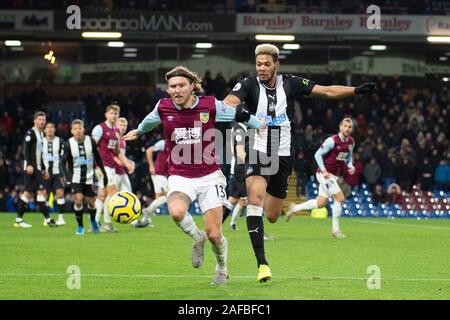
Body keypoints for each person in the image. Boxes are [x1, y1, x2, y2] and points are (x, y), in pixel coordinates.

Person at [222, 43, 377, 282]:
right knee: (254, 199)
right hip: (259, 148)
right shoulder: (248, 84)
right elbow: (229, 102)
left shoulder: (291, 83)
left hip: (284, 152)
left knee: (272, 214)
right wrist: (240, 111)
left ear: (276, 64)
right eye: (258, 64)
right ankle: (262, 264)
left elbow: (326, 91)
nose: (261, 68)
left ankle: (246, 215)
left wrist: (355, 90)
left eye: (266, 64)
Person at [123, 66, 264, 285]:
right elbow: (150, 120)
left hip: (210, 176)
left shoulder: (210, 105)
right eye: (172, 86)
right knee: (177, 212)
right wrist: (139, 130)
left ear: (192, 87)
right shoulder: (163, 107)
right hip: (180, 175)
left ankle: (221, 268)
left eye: (181, 85)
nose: (176, 90)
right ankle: (197, 236)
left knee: (215, 235)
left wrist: (259, 124)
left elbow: (237, 113)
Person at [286, 118, 355, 239]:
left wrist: (350, 165)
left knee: (320, 203)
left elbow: (349, 157)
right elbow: (317, 154)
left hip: (333, 176)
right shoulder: (332, 141)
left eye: (349, 127)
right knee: (340, 198)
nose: (347, 129)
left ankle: (294, 208)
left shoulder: (350, 142)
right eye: (345, 126)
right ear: (340, 127)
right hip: (323, 175)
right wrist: (324, 170)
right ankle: (335, 230)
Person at [92, 104, 135, 232]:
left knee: (103, 195)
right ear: (106, 114)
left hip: (110, 167)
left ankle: (95, 222)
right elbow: (92, 147)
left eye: (116, 113)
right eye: (111, 113)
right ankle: (106, 223)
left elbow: (117, 152)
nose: (114, 115)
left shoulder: (116, 132)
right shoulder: (99, 128)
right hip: (102, 166)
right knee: (113, 193)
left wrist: (127, 163)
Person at [60, 119, 108, 236]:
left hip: (90, 177)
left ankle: (93, 220)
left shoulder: (90, 141)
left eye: (79, 128)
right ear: (72, 131)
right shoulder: (68, 144)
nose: (77, 131)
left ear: (83, 129)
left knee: (92, 203)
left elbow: (98, 158)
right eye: (75, 129)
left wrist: (104, 173)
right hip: (75, 178)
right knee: (79, 200)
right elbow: (62, 162)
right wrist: (67, 176)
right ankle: (80, 225)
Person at [14, 111, 57, 228]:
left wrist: (44, 169)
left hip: (38, 169)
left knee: (41, 194)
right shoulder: (30, 133)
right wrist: (28, 164)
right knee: (28, 193)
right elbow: (26, 149)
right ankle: (19, 219)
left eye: (43, 120)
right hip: (31, 169)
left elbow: (41, 154)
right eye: (40, 119)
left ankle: (48, 219)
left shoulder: (42, 134)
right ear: (35, 121)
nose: (42, 122)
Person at [133, 139, 169, 228]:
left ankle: (146, 219)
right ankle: (148, 210)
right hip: (159, 173)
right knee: (168, 196)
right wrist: (151, 165)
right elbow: (149, 150)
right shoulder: (164, 142)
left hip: (165, 174)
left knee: (159, 197)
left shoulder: (179, 145)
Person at [42, 122, 66, 226]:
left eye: (52, 127)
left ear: (54, 129)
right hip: (45, 173)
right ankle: (46, 218)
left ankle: (60, 217)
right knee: (46, 195)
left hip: (58, 172)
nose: (50, 129)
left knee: (60, 193)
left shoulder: (60, 141)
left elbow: (64, 156)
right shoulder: (41, 142)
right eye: (48, 127)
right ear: (44, 130)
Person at [115, 117, 133, 193]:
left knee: (128, 193)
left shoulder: (123, 140)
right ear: (116, 126)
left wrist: (130, 162)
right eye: (121, 125)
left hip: (121, 170)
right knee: (111, 195)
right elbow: (110, 154)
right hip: (113, 171)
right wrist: (121, 162)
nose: (123, 127)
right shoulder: (113, 138)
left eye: (125, 125)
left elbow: (121, 155)